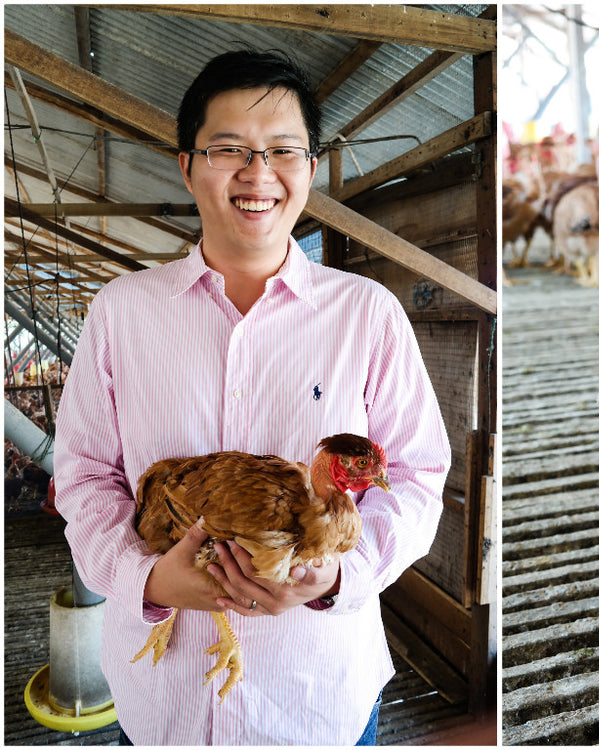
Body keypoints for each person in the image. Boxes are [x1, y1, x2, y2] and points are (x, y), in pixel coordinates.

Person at [52, 48, 450, 745]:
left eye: (282, 151)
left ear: (312, 168)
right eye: (228, 148)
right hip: (162, 700)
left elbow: (418, 475)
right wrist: (146, 579)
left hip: (319, 695)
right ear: (186, 165)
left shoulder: (367, 312)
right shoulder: (122, 312)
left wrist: (337, 575)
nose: (257, 172)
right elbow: (82, 475)